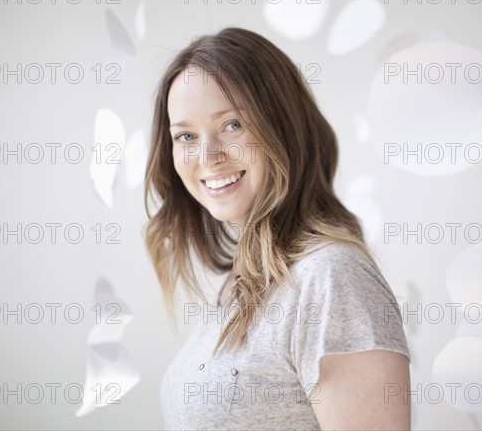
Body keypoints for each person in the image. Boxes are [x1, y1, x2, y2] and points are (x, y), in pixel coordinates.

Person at [144, 27, 411, 430]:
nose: (208, 156)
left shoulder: (330, 278)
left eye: (232, 124)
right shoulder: (242, 278)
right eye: (185, 135)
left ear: (283, 126)